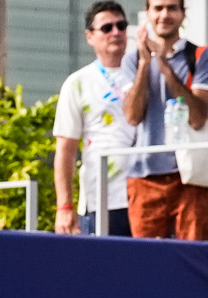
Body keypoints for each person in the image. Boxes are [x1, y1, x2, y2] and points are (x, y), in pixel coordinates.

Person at [121, 0, 208, 239]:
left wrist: (165, 66)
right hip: (144, 175)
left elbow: (197, 117)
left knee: (192, 258)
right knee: (145, 261)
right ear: (148, 14)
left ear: (183, 14)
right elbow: (132, 116)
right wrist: (146, 63)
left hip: (190, 176)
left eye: (171, 8)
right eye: (158, 8)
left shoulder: (201, 55)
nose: (164, 15)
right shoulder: (132, 60)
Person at [54, 2, 139, 236]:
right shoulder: (78, 82)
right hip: (103, 198)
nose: (116, 32)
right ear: (90, 36)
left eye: (121, 26)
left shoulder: (145, 71)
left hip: (147, 194)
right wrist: (64, 206)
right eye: (106, 27)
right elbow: (66, 149)